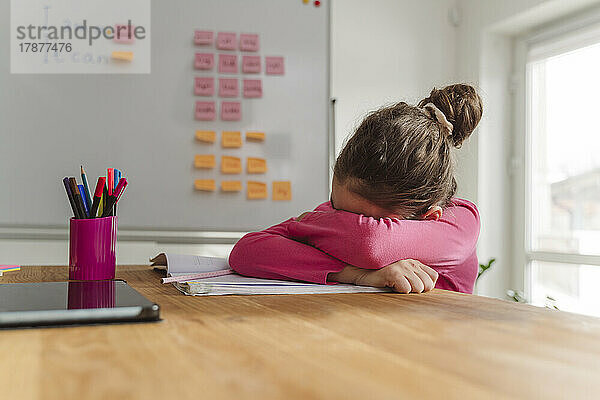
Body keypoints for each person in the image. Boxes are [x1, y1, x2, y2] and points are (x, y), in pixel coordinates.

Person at [229, 84, 483, 294]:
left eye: (363, 220)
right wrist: (358, 275)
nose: (338, 217)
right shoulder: (354, 200)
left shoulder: (460, 223)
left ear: (426, 217)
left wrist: (307, 225)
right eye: (336, 208)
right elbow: (247, 251)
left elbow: (370, 244)